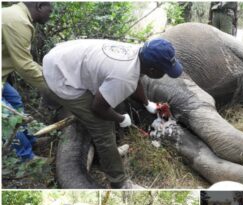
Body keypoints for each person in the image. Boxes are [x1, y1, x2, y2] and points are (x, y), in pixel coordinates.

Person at [43, 38, 183, 188]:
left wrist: (146, 103)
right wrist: (121, 118)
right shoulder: (124, 76)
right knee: (102, 127)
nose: (165, 74)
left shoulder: (139, 52)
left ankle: (105, 155)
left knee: (109, 109)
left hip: (63, 56)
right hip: (60, 75)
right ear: (152, 70)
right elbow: (98, 107)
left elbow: (135, 79)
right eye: (164, 71)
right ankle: (119, 182)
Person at [2, 2, 53, 160]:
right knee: (8, 118)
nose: (49, 16)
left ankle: (31, 140)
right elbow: (24, 65)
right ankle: (26, 157)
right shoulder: (19, 21)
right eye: (49, 12)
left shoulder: (16, 15)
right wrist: (53, 85)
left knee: (14, 100)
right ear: (39, 6)